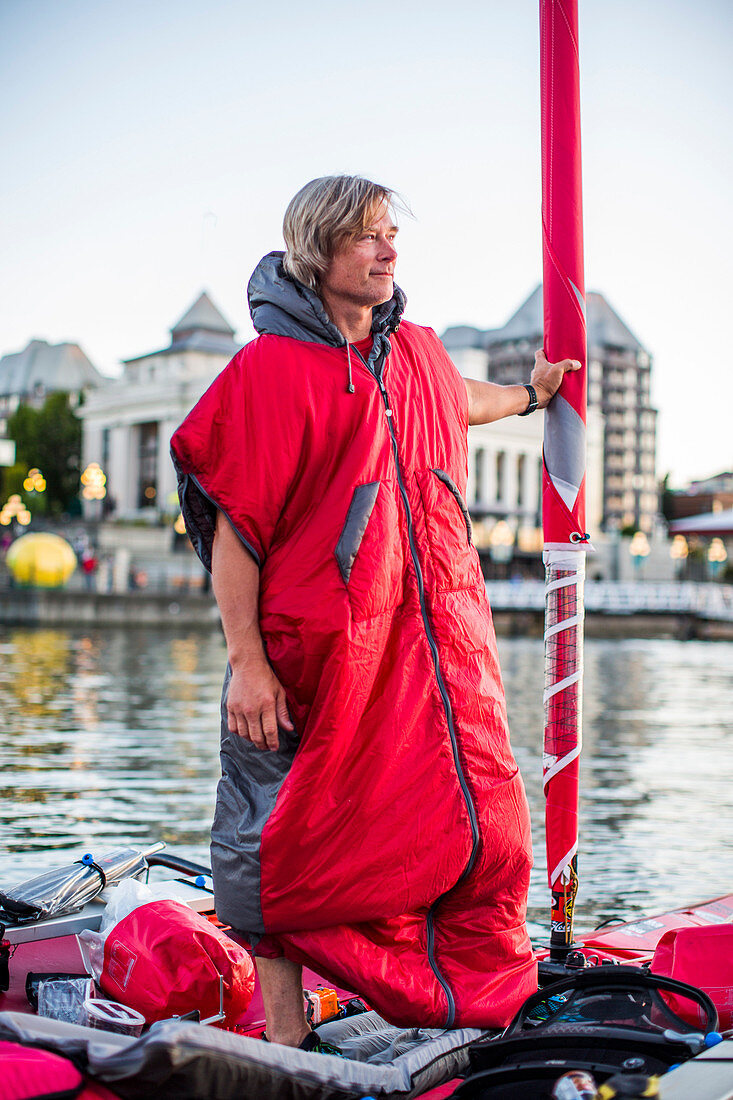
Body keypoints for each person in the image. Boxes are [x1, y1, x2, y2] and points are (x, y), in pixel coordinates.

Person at [171, 175, 580, 1050]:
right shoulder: (267, 373)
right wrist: (247, 661)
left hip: (441, 654)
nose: (389, 250)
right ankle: (286, 1040)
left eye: (391, 233)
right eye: (368, 237)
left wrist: (535, 394)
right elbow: (236, 528)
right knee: (277, 844)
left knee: (479, 826)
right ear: (317, 253)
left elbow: (468, 399)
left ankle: (474, 1000)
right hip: (311, 658)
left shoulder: (421, 355)